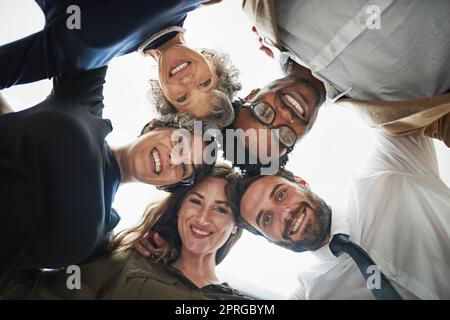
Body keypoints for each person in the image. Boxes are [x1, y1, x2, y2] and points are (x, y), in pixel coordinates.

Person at [0, 66, 215, 293]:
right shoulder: (83, 101)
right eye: (179, 143)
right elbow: (94, 34)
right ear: (156, 125)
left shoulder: (103, 237)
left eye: (183, 168)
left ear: (166, 186)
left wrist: (153, 258)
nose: (173, 159)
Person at [236, 130, 450, 299]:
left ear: (301, 182)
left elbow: (392, 91)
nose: (284, 214)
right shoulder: (313, 296)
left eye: (281, 194)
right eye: (266, 219)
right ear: (268, 240)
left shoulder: (390, 173)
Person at [2, 164, 249, 300]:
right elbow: (48, 291)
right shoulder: (133, 261)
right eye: (195, 201)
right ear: (179, 209)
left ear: (236, 225)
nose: (203, 218)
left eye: (220, 209)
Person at [0, 0, 241, 127]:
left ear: (165, 97)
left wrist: (14, 134)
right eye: (205, 82)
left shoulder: (84, 58)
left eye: (183, 98)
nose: (188, 81)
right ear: (211, 61)